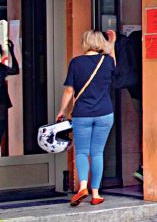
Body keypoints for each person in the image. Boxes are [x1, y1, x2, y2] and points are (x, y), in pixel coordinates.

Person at [56, 30, 117, 206]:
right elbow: (113, 62)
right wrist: (111, 43)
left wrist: (62, 110)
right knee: (97, 152)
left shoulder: (76, 62)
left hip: (82, 114)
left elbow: (69, 90)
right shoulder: (107, 61)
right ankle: (96, 193)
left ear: (86, 42)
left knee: (82, 151)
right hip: (105, 114)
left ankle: (83, 186)